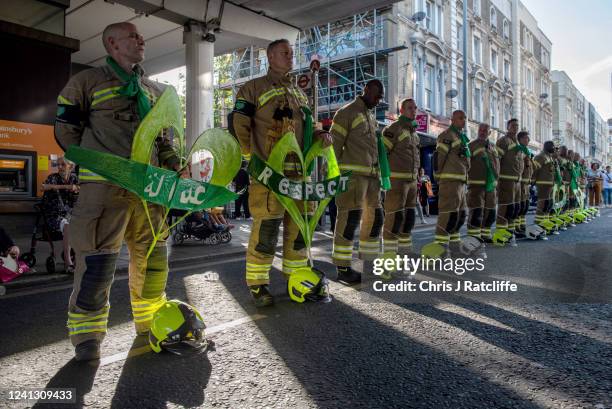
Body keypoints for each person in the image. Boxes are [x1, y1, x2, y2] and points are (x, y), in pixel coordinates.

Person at [55, 22, 184, 361]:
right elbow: (67, 131)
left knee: (154, 262)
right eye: (133, 36)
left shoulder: (153, 90)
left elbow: (162, 140)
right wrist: (93, 164)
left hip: (149, 191)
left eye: (140, 36)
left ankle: (151, 322)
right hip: (104, 189)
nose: (141, 39)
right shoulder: (85, 82)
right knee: (97, 264)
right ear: (112, 43)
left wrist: (173, 163)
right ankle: (87, 337)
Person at [229, 38, 332, 306]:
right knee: (267, 229)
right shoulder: (252, 88)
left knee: (299, 229)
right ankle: (258, 284)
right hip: (269, 174)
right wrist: (251, 158)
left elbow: (307, 126)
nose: (290, 57)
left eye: (291, 53)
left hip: (299, 175)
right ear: (270, 57)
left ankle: (297, 277)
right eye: (285, 53)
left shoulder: (299, 92)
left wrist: (321, 134)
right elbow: (239, 124)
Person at [330, 79, 385, 283]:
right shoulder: (347, 113)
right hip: (352, 178)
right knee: (349, 220)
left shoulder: (370, 116)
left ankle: (369, 263)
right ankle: (343, 268)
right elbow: (333, 148)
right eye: (377, 95)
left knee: (376, 218)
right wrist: (335, 176)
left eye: (381, 97)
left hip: (372, 178)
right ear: (367, 90)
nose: (379, 100)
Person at [381, 98, 420, 274]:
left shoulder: (414, 132)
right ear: (401, 110)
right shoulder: (393, 129)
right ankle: (388, 261)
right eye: (410, 108)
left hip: (411, 182)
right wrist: (384, 178)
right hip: (396, 182)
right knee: (394, 220)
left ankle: (405, 254)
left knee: (409, 219)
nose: (414, 110)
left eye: (415, 108)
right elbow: (382, 153)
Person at [431, 110, 470, 254]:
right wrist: (438, 177)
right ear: (452, 120)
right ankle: (440, 248)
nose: (463, 120)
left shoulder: (461, 137)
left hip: (460, 182)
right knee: (448, 215)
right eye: (460, 118)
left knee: (459, 216)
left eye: (465, 118)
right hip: (449, 182)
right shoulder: (447, 135)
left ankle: (454, 245)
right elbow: (438, 157)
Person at [41, 157, 79, 273]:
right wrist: (67, 187)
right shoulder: (53, 177)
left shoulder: (74, 178)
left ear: (71, 167)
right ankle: (68, 263)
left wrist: (77, 188)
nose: (60, 167)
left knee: (81, 224)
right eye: (58, 165)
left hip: (70, 214)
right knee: (68, 224)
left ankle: (78, 261)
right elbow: (43, 187)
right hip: (54, 216)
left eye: (63, 165)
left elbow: (83, 188)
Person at [466, 123, 499, 244]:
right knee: (477, 211)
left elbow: (496, 166)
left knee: (491, 212)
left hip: (491, 186)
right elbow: (465, 164)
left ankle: (485, 234)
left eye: (485, 130)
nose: (482, 131)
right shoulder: (471, 146)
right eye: (481, 129)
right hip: (476, 185)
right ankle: (473, 236)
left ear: (489, 133)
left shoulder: (493, 147)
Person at [495, 118, 525, 246]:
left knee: (514, 208)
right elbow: (496, 161)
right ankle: (501, 233)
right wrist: (497, 179)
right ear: (507, 127)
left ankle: (510, 232)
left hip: (517, 181)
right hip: (505, 180)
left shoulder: (517, 143)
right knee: (505, 207)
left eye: (517, 126)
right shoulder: (503, 141)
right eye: (513, 126)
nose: (515, 128)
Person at [532, 141, 556, 236]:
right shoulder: (540, 156)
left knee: (548, 204)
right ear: (547, 147)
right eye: (552, 146)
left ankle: (545, 221)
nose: (554, 148)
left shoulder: (549, 156)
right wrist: (533, 180)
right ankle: (538, 223)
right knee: (542, 203)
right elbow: (535, 169)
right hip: (542, 183)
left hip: (549, 184)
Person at [516, 132, 533, 236]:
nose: (528, 140)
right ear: (520, 139)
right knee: (520, 205)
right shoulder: (519, 150)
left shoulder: (527, 151)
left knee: (525, 205)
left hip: (526, 182)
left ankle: (522, 225)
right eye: (526, 138)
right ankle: (516, 227)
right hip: (521, 182)